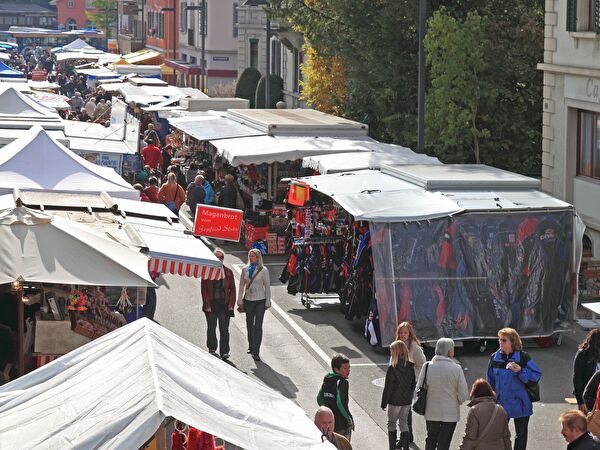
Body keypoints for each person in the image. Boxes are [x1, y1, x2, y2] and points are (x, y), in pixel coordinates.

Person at [487, 328, 542, 450]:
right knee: (498, 435)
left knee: (521, 435)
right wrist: (491, 397)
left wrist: (521, 371)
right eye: (499, 340)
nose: (500, 343)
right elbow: (490, 380)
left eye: (504, 340)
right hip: (501, 404)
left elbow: (536, 375)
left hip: (520, 403)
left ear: (512, 342)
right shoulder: (494, 358)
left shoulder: (523, 357)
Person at [418, 337, 469, 450]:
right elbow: (464, 393)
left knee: (431, 439)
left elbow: (419, 387)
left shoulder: (427, 366)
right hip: (450, 414)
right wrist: (457, 401)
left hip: (431, 411)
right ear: (449, 351)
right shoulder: (457, 368)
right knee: (444, 444)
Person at [200, 249, 236, 360]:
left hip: (224, 305)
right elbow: (204, 290)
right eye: (216, 257)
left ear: (223, 259)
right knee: (211, 328)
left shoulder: (228, 272)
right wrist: (207, 305)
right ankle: (212, 349)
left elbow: (233, 289)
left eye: (220, 257)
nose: (218, 259)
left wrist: (231, 305)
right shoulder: (207, 271)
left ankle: (224, 352)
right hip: (211, 305)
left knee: (224, 329)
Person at [237, 249, 271, 361]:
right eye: (250, 256)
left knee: (258, 326)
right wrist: (239, 300)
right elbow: (241, 285)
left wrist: (268, 301)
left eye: (253, 256)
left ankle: (256, 351)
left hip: (260, 301)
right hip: (249, 300)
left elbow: (267, 286)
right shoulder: (245, 269)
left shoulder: (263, 270)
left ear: (258, 257)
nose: (251, 258)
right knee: (249, 324)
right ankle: (251, 346)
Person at [395, 321, 426, 443]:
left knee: (405, 410)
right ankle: (406, 435)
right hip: (397, 383)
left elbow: (422, 365)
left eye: (405, 332)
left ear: (410, 333)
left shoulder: (415, 348)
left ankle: (406, 435)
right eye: (401, 333)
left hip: (409, 384)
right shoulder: (396, 345)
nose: (403, 335)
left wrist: (412, 377)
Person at [381, 340, 415, 450]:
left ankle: (392, 448)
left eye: (391, 351)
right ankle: (405, 447)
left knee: (391, 423)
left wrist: (384, 403)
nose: (390, 353)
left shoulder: (392, 368)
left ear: (395, 352)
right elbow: (412, 384)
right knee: (404, 423)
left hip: (394, 401)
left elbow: (388, 388)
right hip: (406, 401)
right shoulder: (410, 367)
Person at [458, 379, 511, 450]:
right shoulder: (501, 409)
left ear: (474, 393)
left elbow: (470, 437)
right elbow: (506, 436)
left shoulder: (475, 410)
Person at [317, 353, 354, 442]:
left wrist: (328, 412)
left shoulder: (327, 379)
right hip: (341, 424)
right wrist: (348, 418)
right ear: (337, 369)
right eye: (345, 368)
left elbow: (319, 398)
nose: (348, 370)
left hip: (328, 423)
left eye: (349, 368)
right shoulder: (342, 382)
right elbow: (340, 402)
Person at [574, 329, 600, 414]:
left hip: (597, 395)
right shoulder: (583, 354)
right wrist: (580, 401)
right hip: (587, 396)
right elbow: (577, 377)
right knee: (588, 423)